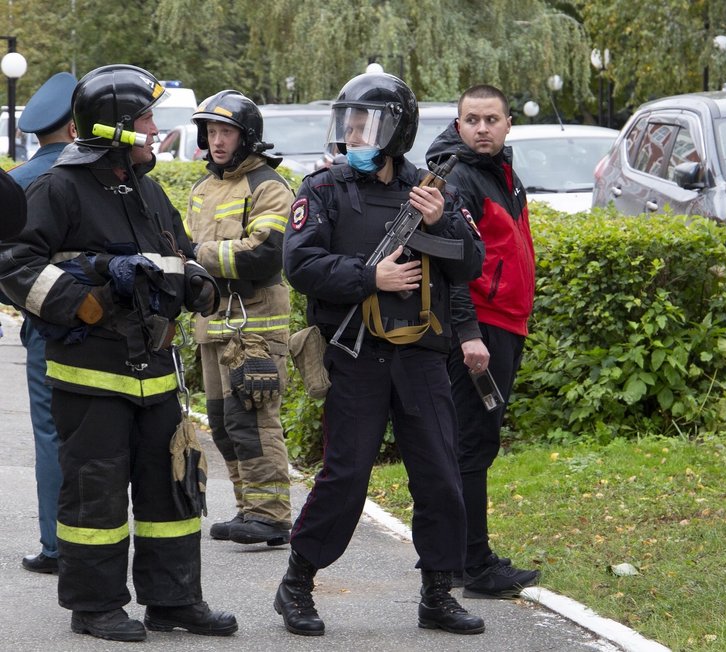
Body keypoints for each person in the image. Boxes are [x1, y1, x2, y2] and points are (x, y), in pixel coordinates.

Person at [0, 64, 236, 642]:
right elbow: (12, 262)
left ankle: (173, 601)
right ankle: (95, 605)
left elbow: (177, 252)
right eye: (148, 118)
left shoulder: (148, 189)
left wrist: (197, 283)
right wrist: (83, 302)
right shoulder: (57, 187)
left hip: (155, 373)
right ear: (119, 126)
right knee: (95, 495)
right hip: (90, 375)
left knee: (171, 489)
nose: (157, 129)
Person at [275, 72, 486, 637]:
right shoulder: (321, 189)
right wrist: (373, 276)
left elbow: (469, 264)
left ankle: (438, 592)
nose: (357, 135)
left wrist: (441, 221)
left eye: (368, 125)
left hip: (420, 355)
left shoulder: (434, 191)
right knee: (345, 477)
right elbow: (299, 265)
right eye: (351, 124)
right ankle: (297, 583)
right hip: (357, 355)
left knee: (441, 474)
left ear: (398, 131)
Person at [426, 85, 539, 597]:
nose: (482, 128)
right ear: (458, 123)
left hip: (503, 324)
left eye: (491, 119)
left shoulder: (502, 173)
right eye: (471, 120)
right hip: (478, 330)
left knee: (473, 443)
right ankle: (473, 564)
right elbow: (451, 268)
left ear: (508, 122)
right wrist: (469, 334)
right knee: (472, 445)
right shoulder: (458, 177)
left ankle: (455, 558)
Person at [186, 90, 294, 546]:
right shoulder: (203, 189)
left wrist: (197, 256)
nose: (217, 140)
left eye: (225, 131)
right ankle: (250, 508)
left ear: (247, 136)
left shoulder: (269, 186)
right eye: (211, 132)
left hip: (256, 327)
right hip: (215, 324)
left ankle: (272, 515)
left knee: (252, 419)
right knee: (224, 422)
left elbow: (266, 255)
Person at [7, 71, 77, 576]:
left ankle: (57, 545)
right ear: (76, 125)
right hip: (109, 327)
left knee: (51, 433)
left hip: (43, 327)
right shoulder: (98, 173)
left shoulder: (18, 182)